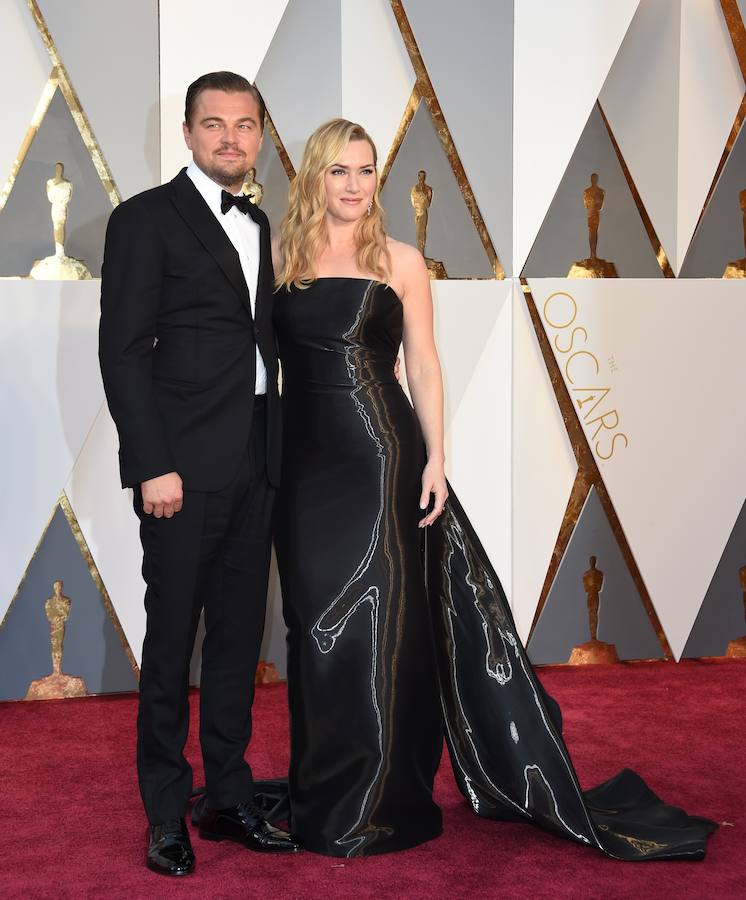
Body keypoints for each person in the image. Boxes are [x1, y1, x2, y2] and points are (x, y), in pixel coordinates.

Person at [271, 119, 717, 859]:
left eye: (365, 170)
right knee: (315, 633)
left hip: (381, 455)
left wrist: (436, 458)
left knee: (381, 627)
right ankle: (323, 789)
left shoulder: (400, 259)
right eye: (337, 171)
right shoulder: (281, 255)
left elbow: (425, 366)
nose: (353, 185)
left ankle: (381, 798)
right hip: (303, 464)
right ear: (314, 176)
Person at [99, 71, 300, 877]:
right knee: (173, 640)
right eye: (213, 124)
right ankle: (163, 813)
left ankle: (227, 793)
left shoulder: (259, 223)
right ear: (186, 133)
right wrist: (153, 465)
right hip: (181, 469)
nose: (230, 138)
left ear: (259, 136)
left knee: (238, 640)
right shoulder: (145, 219)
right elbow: (123, 352)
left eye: (244, 125)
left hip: (259, 458)